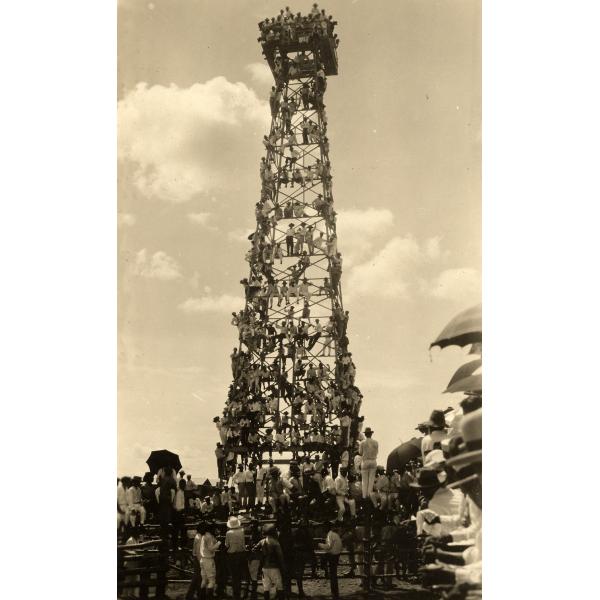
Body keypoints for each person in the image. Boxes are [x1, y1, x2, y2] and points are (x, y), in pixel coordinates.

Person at [254, 524, 285, 600]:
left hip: (265, 567)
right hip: (275, 567)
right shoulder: (275, 543)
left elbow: (254, 550)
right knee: (279, 586)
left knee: (266, 588)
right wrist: (283, 566)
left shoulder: (262, 541)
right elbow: (280, 556)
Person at [318, 521, 342, 600]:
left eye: (323, 527)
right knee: (333, 574)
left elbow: (328, 546)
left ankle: (334, 592)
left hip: (333, 555)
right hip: (336, 554)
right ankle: (335, 591)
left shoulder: (330, 535)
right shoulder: (334, 534)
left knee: (333, 574)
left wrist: (319, 545)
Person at [225, 516, 248, 600]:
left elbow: (227, 545)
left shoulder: (229, 533)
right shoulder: (242, 531)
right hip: (241, 554)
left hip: (232, 555)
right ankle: (239, 592)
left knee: (234, 575)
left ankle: (236, 594)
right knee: (239, 574)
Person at [200, 522, 221, 599]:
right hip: (208, 560)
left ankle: (201, 597)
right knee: (212, 580)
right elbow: (211, 548)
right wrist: (218, 543)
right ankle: (209, 597)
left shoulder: (204, 535)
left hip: (203, 559)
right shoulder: (209, 537)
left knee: (204, 580)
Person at [358, 427, 379, 498]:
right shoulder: (376, 442)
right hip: (373, 461)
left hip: (365, 461)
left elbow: (360, 453)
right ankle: (370, 495)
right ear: (371, 434)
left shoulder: (362, 442)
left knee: (365, 481)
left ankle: (364, 496)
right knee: (371, 481)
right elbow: (377, 452)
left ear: (366, 434)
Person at [186, 522, 203, 600]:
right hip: (199, 559)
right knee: (197, 577)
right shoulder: (200, 538)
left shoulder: (198, 537)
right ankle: (192, 594)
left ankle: (196, 594)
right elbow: (199, 552)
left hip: (198, 558)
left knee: (198, 578)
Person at [172, 479, 187, 549]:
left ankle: (181, 545)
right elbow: (178, 507)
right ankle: (176, 546)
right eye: (183, 484)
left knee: (182, 530)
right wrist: (183, 512)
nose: (185, 486)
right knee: (177, 530)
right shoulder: (179, 493)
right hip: (178, 514)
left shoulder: (181, 492)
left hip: (179, 513)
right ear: (181, 485)